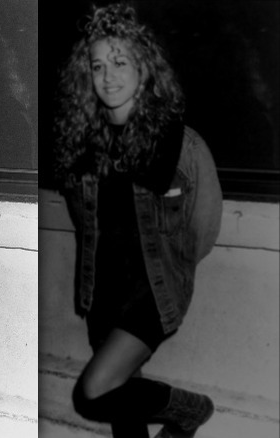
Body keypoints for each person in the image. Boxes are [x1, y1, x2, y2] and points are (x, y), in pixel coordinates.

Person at [52, 4, 222, 438]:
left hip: (154, 289)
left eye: (120, 61)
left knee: (92, 393)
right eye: (97, 65)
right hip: (102, 290)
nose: (108, 75)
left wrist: (172, 270)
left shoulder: (181, 143)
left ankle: (190, 410)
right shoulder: (82, 145)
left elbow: (203, 229)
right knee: (123, 414)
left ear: (143, 69)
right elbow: (84, 221)